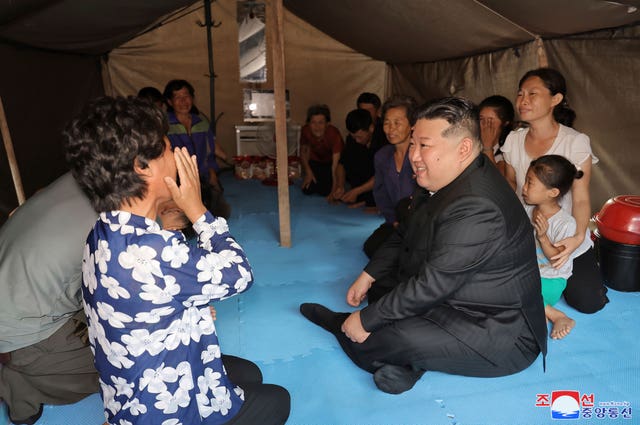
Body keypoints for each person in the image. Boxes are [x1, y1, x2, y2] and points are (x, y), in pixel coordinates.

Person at [64, 96, 290, 425]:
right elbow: (240, 274)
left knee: (249, 373)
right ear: (143, 167)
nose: (177, 155)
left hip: (129, 390)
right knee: (278, 400)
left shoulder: (100, 233)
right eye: (169, 148)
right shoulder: (157, 251)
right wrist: (197, 208)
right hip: (168, 408)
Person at [300, 97, 547, 395]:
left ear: (463, 149)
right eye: (413, 143)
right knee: (380, 289)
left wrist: (363, 321)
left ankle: (341, 325)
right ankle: (410, 364)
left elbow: (432, 285)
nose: (414, 155)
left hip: (495, 327)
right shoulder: (440, 175)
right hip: (455, 293)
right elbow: (405, 232)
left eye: (424, 146)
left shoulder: (479, 205)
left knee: (379, 337)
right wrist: (369, 274)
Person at [501, 67, 609, 314]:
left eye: (532, 93)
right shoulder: (513, 140)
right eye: (520, 94)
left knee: (589, 302)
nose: (523, 100)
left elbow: (581, 199)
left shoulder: (575, 142)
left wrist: (578, 237)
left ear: (555, 99)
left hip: (565, 237)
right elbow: (510, 184)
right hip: (525, 236)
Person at [0, 172, 99, 425]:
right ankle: (18, 380)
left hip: (14, 290)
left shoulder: (78, 176)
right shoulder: (119, 225)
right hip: (20, 325)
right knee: (123, 360)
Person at [522, 155, 585, 339]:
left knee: (518, 293)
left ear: (552, 192)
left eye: (530, 183)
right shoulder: (528, 210)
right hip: (529, 273)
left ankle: (557, 316)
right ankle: (538, 313)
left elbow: (556, 259)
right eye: (526, 181)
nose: (524, 188)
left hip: (551, 279)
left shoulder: (565, 223)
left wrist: (543, 238)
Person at [163, 79, 231, 219]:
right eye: (177, 97)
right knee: (181, 219)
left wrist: (213, 173)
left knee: (216, 212)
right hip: (177, 179)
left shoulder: (201, 123)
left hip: (203, 177)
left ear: (192, 98)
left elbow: (209, 151)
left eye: (186, 96)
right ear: (170, 102)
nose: (183, 101)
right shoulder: (165, 125)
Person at [362, 95, 417, 258]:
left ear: (412, 125)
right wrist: (393, 220)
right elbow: (380, 193)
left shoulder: (421, 155)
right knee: (372, 247)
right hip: (395, 223)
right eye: (387, 123)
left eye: (397, 123)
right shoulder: (382, 156)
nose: (391, 129)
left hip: (419, 224)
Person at [329, 109, 376, 208]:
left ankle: (367, 201)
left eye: (360, 137)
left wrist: (357, 191)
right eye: (354, 137)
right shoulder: (352, 140)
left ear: (371, 128)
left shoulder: (382, 140)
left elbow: (382, 175)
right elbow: (342, 164)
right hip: (360, 182)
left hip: (376, 183)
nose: (357, 141)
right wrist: (340, 185)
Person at [299, 104, 344, 198]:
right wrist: (308, 172)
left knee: (327, 191)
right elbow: (303, 151)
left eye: (321, 123)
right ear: (308, 123)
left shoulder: (334, 134)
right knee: (307, 189)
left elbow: (335, 166)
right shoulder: (305, 130)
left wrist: (333, 190)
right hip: (316, 161)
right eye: (313, 122)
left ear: (327, 124)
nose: (317, 127)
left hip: (332, 163)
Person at [478, 95, 514, 176]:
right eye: (481, 119)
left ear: (505, 123)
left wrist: (487, 146)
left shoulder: (508, 150)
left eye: (490, 120)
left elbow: (496, 181)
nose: (485, 124)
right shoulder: (472, 143)